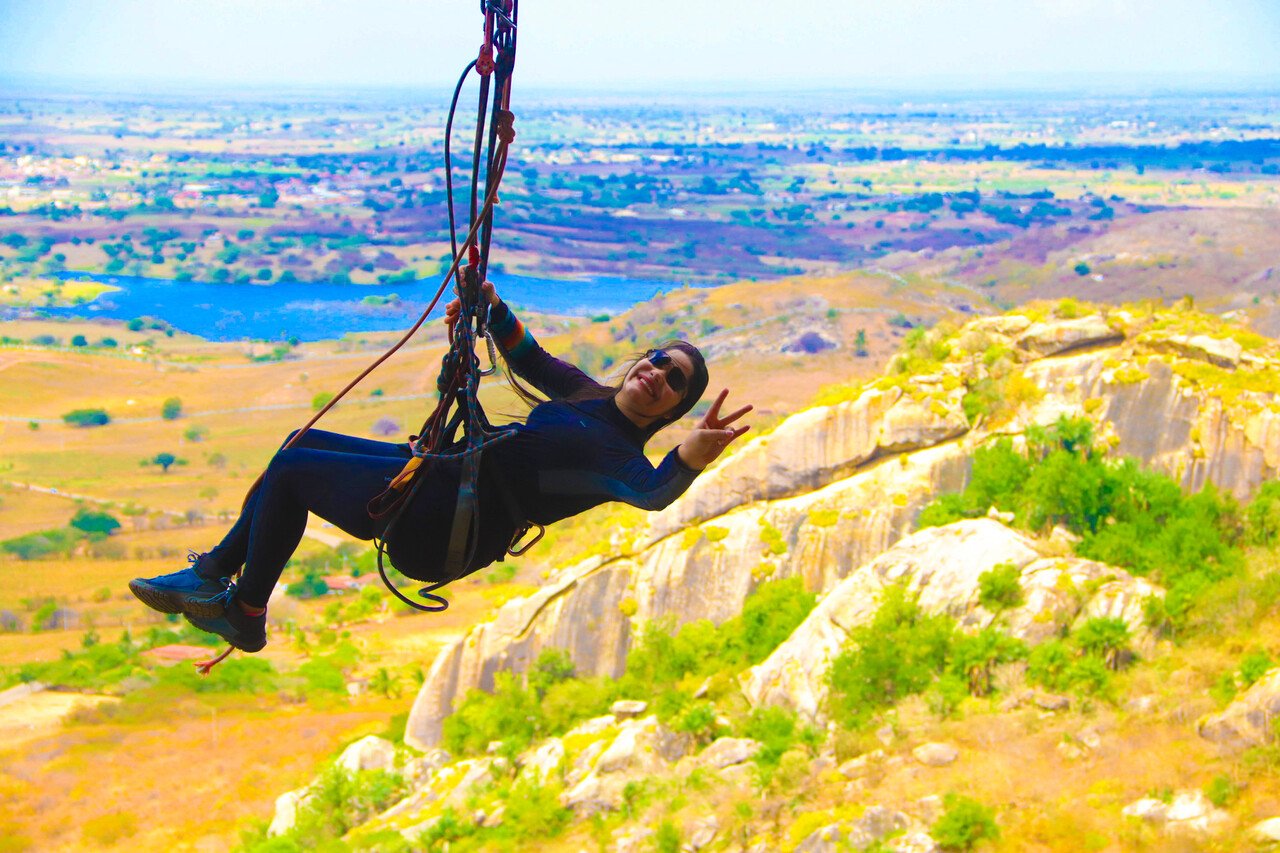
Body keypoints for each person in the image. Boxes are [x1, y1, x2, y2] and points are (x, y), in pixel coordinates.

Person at [129, 281, 752, 652]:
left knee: (293, 475)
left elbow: (652, 495)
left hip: (447, 523)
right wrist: (487, 301)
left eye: (674, 382)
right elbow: (525, 352)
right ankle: (215, 576)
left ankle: (244, 609)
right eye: (658, 362)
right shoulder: (583, 393)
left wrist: (690, 457)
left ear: (674, 407)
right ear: (641, 360)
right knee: (297, 444)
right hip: (445, 478)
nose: (657, 377)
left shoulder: (622, 459)